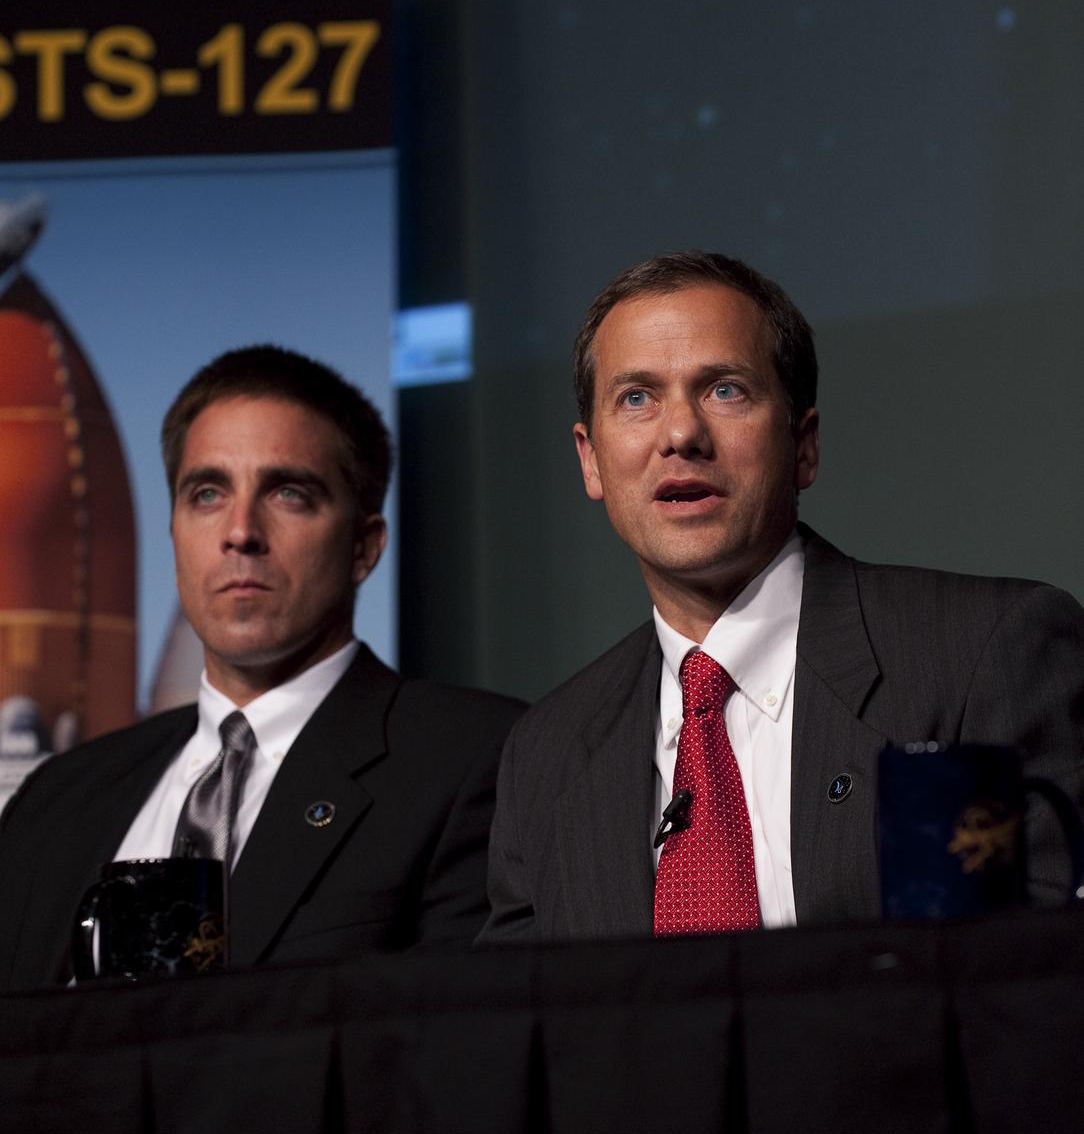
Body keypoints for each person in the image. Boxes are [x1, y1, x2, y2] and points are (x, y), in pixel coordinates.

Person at [481, 251, 1084, 942]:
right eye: (637, 398)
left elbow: (1044, 988)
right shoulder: (546, 755)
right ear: (590, 459)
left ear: (803, 445)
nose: (680, 435)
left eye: (725, 390)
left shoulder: (988, 651)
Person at [0, 345, 524, 989]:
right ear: (174, 533)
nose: (240, 531)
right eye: (208, 493)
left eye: (289, 494)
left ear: (364, 547)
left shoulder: (483, 760)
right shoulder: (53, 802)